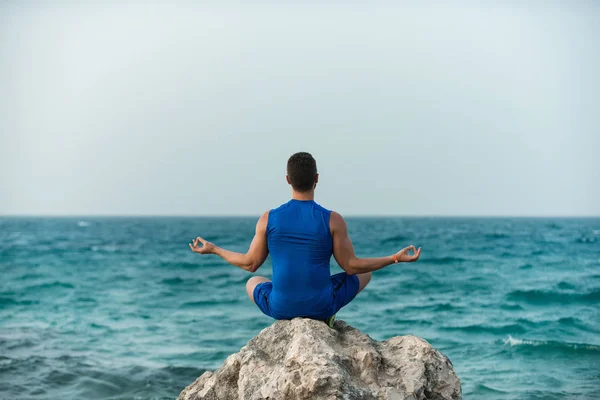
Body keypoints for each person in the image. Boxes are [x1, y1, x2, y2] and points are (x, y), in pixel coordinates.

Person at [189, 152, 421, 326]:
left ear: (288, 179)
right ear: (317, 178)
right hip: (321, 307)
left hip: (281, 308)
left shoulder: (268, 219)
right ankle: (326, 318)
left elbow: (250, 264)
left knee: (254, 282)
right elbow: (352, 267)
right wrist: (394, 258)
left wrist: (214, 249)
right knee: (365, 273)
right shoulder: (332, 219)